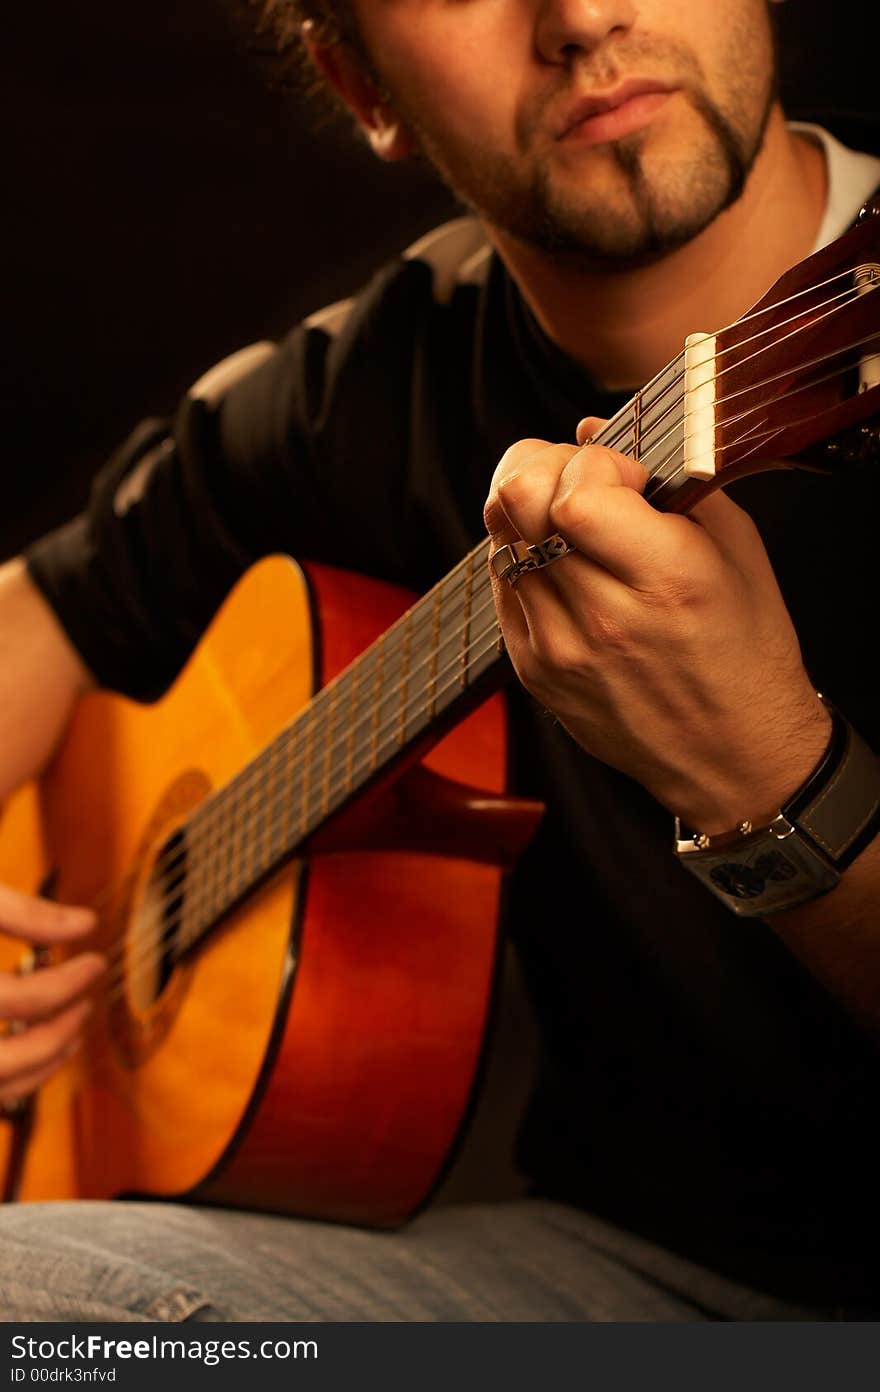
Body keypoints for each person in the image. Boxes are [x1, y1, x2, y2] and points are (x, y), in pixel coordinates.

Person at [0, 0, 878, 1322]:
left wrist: (774, 776)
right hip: (623, 1269)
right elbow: (42, 609)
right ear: (362, 85)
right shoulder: (377, 382)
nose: (583, 17)